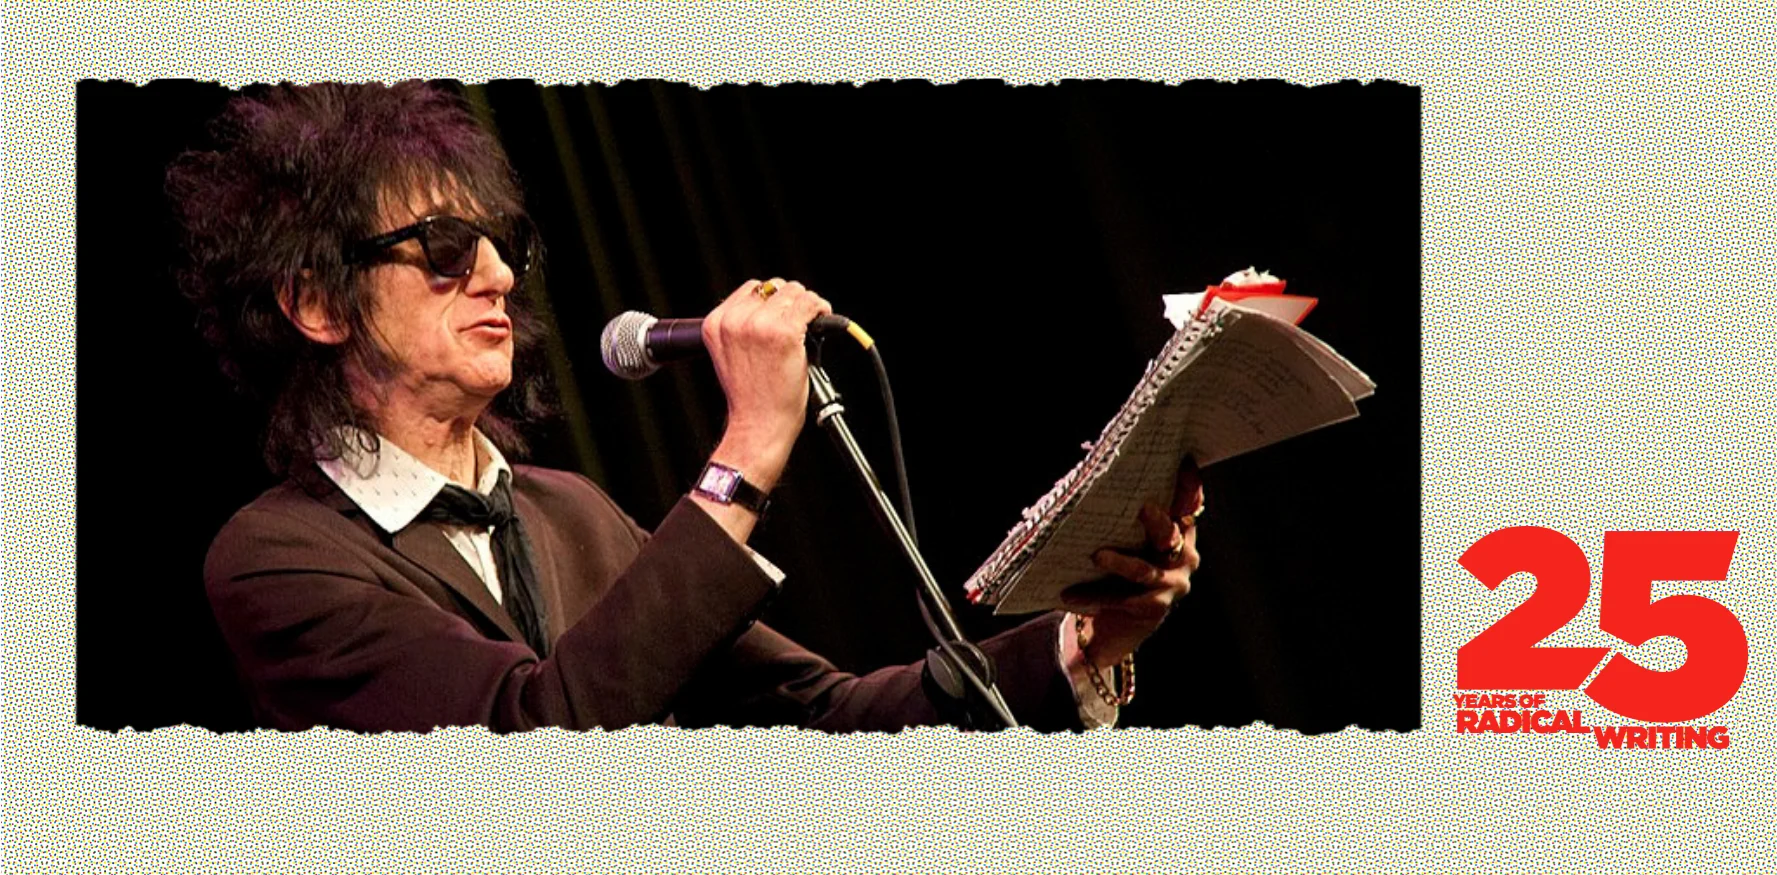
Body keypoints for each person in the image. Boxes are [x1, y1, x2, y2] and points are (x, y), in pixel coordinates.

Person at [169, 82, 1201, 732]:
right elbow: (536, 740)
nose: (497, 275)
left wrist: (1087, 639)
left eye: (502, 245)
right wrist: (746, 446)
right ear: (314, 303)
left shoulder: (568, 511)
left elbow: (826, 715)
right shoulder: (279, 558)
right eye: (443, 247)